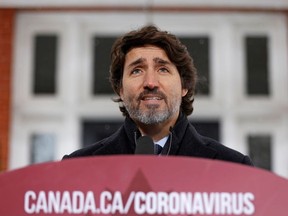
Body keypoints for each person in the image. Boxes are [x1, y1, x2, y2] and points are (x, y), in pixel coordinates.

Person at [63, 25, 253, 166]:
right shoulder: (78, 166)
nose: (150, 82)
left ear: (184, 86)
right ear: (120, 89)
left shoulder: (234, 167)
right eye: (137, 71)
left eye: (163, 69)